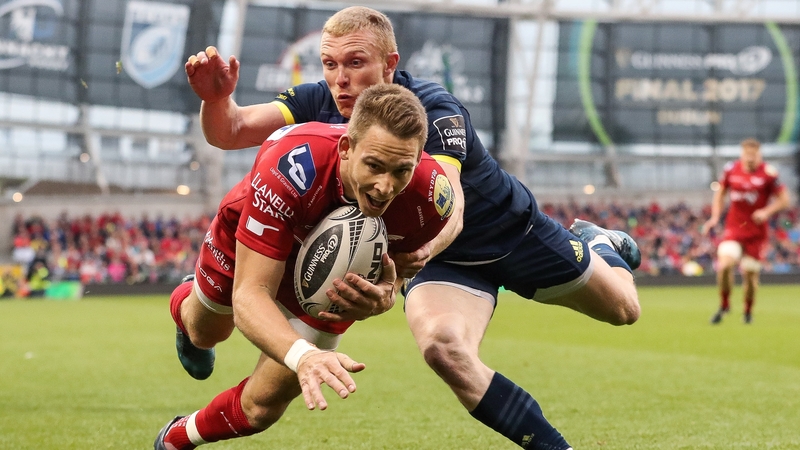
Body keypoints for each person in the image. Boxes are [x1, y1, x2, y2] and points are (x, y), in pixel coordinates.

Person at [184, 6, 642, 449]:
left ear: (390, 64)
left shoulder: (434, 110)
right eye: (329, 64)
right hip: (437, 262)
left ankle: (601, 244)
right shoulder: (322, 101)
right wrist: (216, 98)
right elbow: (231, 130)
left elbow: (452, 206)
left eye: (356, 63)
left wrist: (412, 258)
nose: (340, 79)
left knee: (624, 309)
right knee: (445, 350)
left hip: (510, 234)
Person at [154, 83, 453, 449]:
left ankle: (178, 437)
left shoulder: (430, 200)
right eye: (374, 166)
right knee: (206, 333)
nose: (385, 187)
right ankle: (187, 300)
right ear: (346, 148)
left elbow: (400, 271)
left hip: (334, 279)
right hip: (256, 241)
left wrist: (386, 296)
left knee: (262, 407)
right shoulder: (292, 163)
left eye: (401, 171)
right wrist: (304, 355)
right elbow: (251, 294)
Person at [701, 138, 790, 325]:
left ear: (759, 155)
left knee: (750, 275)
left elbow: (784, 200)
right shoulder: (731, 170)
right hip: (734, 228)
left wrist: (766, 211)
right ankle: (725, 305)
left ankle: (748, 311)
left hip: (756, 234)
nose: (750, 158)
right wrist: (715, 217)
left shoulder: (768, 174)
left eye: (754, 155)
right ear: (742, 154)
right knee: (725, 265)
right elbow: (720, 193)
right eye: (747, 154)